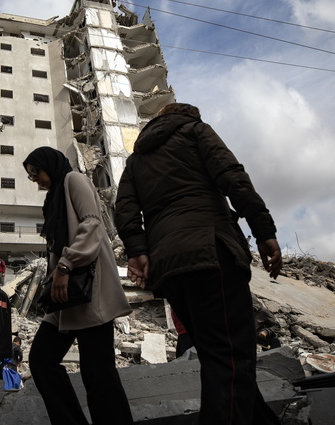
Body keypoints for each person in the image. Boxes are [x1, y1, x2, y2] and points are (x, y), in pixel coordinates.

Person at [114, 103, 282, 425]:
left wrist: (138, 250)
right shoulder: (195, 131)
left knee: (217, 355)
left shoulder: (136, 160)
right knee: (231, 355)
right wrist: (264, 232)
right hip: (209, 251)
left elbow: (124, 211)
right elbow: (234, 178)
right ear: (189, 116)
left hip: (168, 268)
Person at [23, 147, 133, 425]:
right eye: (30, 175)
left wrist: (65, 265)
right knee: (41, 360)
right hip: (65, 294)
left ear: (51, 164)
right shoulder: (53, 198)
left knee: (98, 373)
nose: (35, 178)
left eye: (37, 171)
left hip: (88, 289)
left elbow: (93, 225)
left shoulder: (74, 180)